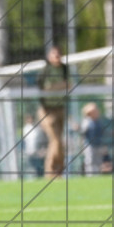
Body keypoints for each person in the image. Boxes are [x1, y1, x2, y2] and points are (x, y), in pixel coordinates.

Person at [37, 45, 70, 178]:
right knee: (55, 140)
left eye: (58, 54)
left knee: (58, 141)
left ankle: (58, 171)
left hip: (60, 108)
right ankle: (50, 172)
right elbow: (46, 88)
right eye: (54, 54)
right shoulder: (46, 71)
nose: (57, 57)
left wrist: (61, 86)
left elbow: (69, 84)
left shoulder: (64, 69)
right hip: (47, 111)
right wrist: (61, 86)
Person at [78, 103, 114, 175]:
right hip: (90, 146)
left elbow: (103, 132)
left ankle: (97, 175)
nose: (97, 112)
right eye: (95, 111)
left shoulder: (98, 122)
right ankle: (90, 175)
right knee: (90, 161)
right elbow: (82, 133)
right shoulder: (87, 122)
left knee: (98, 162)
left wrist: (110, 133)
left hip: (99, 145)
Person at [20, 114, 47, 178]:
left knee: (39, 166)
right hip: (29, 151)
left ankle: (40, 176)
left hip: (37, 151)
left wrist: (42, 149)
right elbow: (24, 141)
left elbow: (41, 139)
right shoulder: (25, 129)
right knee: (32, 165)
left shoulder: (37, 128)